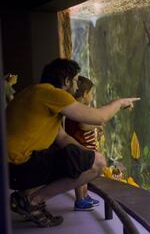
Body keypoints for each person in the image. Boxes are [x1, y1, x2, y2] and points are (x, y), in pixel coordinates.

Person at [7, 58, 140, 227]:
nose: (77, 87)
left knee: (91, 159)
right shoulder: (54, 94)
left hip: (9, 171)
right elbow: (100, 117)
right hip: (16, 168)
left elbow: (63, 138)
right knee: (98, 163)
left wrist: (89, 157)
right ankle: (32, 201)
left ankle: (25, 197)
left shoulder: (35, 93)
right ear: (66, 81)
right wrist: (120, 103)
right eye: (76, 81)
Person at [65, 76, 102, 211]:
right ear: (85, 94)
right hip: (80, 147)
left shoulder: (78, 107)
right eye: (91, 93)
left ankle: (85, 196)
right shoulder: (78, 108)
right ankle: (80, 200)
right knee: (81, 175)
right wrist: (97, 124)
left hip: (84, 146)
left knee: (85, 175)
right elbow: (83, 126)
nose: (92, 96)